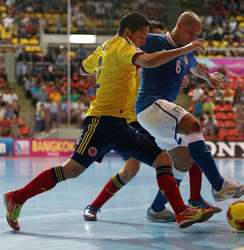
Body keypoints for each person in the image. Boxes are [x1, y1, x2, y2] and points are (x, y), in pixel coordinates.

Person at [3, 12, 215, 232]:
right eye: (141, 37)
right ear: (127, 33)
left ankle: (181, 212)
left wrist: (107, 73)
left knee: (162, 160)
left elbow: (83, 69)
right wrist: (185, 49)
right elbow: (149, 61)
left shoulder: (104, 48)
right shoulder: (124, 47)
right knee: (72, 170)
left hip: (121, 124)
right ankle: (17, 197)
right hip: (102, 121)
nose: (144, 42)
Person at [83, 22, 221, 223]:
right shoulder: (135, 58)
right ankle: (94, 206)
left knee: (185, 153)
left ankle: (186, 201)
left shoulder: (163, 60)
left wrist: (180, 74)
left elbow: (182, 67)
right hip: (131, 120)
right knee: (131, 170)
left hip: (150, 117)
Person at [136, 11, 244, 205]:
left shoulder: (187, 51)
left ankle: (157, 208)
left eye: (196, 35)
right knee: (192, 125)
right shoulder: (154, 41)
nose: (194, 39)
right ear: (179, 26)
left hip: (159, 113)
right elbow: (127, 45)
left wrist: (209, 78)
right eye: (191, 33)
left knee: (183, 162)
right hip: (150, 105)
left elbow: (196, 66)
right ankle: (219, 185)